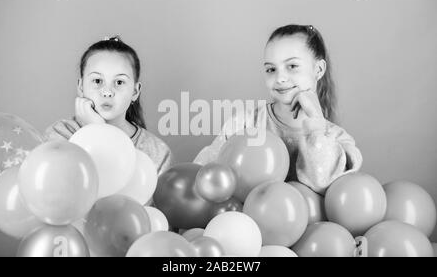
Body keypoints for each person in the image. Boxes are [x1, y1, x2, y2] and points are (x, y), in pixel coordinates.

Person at [195, 24, 362, 194]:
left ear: (318, 69)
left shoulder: (337, 139)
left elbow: (325, 185)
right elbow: (201, 175)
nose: (280, 78)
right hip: (247, 219)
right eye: (271, 69)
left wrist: (316, 123)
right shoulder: (244, 125)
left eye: (292, 66)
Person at [46, 36, 172, 175]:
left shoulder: (157, 152)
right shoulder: (60, 135)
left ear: (135, 92)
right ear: (81, 87)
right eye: (97, 80)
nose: (107, 92)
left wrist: (100, 130)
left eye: (119, 82)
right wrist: (95, 130)